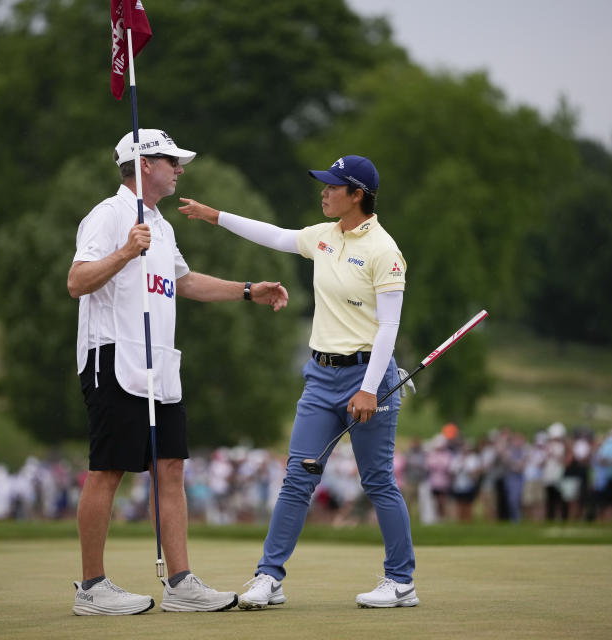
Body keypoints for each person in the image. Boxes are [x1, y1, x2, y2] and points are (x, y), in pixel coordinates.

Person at [179, 155, 418, 609]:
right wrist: (216, 217)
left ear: (357, 195)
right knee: (296, 479)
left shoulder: (385, 250)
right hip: (320, 377)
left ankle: (401, 580)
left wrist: (369, 388)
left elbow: (388, 328)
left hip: (368, 377)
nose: (323, 192)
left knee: (377, 480)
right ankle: (269, 577)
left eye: (332, 187)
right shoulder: (323, 237)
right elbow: (275, 236)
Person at [67, 128, 288, 615]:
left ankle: (181, 583)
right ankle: (91, 588)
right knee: (108, 469)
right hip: (112, 356)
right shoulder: (108, 216)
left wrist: (249, 290)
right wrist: (125, 252)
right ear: (144, 164)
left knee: (170, 467)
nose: (179, 168)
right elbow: (76, 281)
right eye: (170, 160)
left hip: (158, 361)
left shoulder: (162, 226)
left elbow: (185, 282)